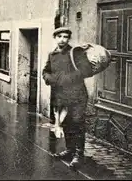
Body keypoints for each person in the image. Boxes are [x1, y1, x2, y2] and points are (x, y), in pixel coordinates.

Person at [42, 26, 94, 168]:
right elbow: (45, 71)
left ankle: (79, 154)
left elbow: (86, 70)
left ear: (68, 38)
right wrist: (50, 79)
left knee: (77, 123)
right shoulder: (52, 55)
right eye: (59, 37)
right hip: (61, 96)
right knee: (66, 123)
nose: (62, 39)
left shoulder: (75, 53)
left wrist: (67, 78)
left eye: (65, 37)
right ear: (55, 38)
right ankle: (70, 150)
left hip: (77, 95)